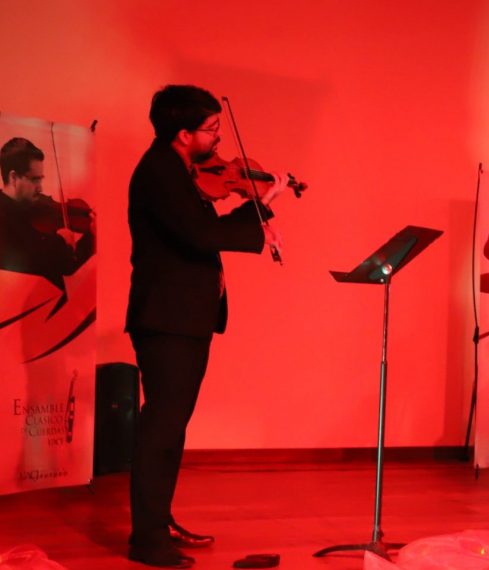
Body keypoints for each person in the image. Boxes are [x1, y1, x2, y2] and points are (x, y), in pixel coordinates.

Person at [124, 85, 287, 568]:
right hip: (167, 318)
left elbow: (203, 231)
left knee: (172, 427)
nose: (218, 139)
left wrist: (264, 200)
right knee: (162, 427)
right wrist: (259, 221)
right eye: (211, 129)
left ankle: (160, 521)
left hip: (185, 318)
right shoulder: (159, 172)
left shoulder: (178, 171)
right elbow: (200, 236)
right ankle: (147, 539)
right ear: (182, 134)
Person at [0, 137, 94, 285]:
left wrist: (91, 236)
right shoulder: (5, 217)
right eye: (34, 180)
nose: (40, 188)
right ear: (13, 177)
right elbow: (33, 265)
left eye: (41, 179)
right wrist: (61, 241)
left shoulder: (30, 209)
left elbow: (66, 266)